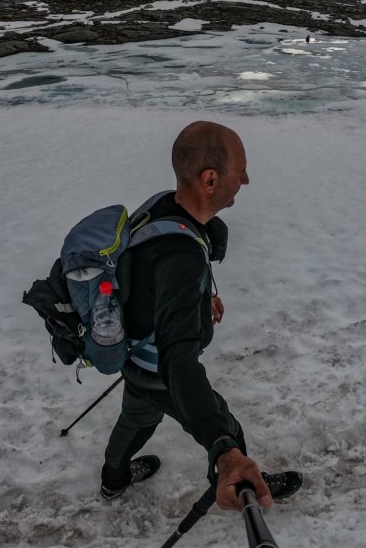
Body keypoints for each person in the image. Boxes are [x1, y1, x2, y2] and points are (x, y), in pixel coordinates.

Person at [99, 120, 301, 510]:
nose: (246, 178)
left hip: (134, 359)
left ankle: (114, 479)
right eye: (240, 168)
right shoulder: (180, 257)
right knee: (224, 425)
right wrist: (223, 448)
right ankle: (242, 478)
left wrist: (197, 298)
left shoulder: (162, 207)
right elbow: (178, 360)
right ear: (210, 180)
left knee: (136, 420)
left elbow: (149, 277)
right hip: (161, 371)